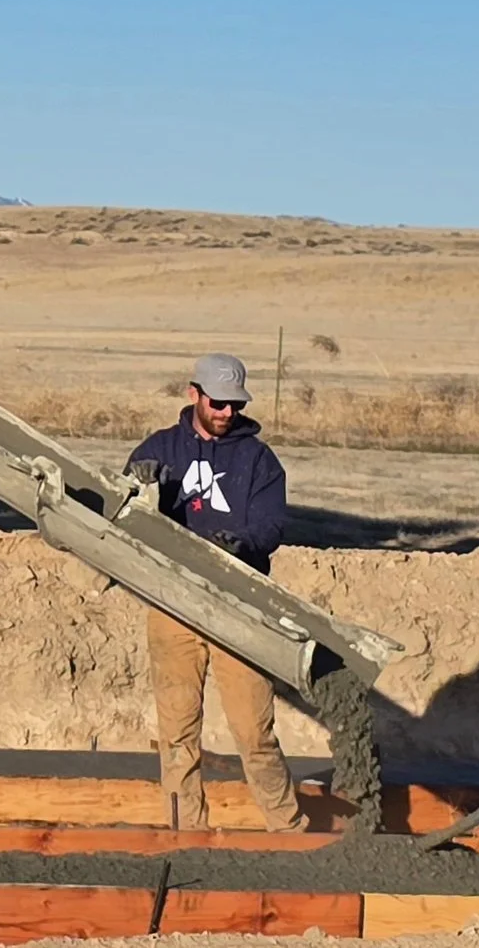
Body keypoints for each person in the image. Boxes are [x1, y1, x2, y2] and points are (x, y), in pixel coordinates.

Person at [128, 352, 304, 832]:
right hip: (173, 606)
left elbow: (271, 526)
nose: (228, 412)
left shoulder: (259, 460)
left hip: (240, 609)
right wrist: (140, 489)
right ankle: (187, 833)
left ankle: (288, 830)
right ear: (194, 395)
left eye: (235, 404)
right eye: (219, 402)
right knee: (178, 733)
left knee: (253, 730)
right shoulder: (160, 449)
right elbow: (124, 520)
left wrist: (241, 546)